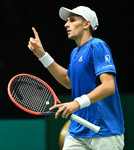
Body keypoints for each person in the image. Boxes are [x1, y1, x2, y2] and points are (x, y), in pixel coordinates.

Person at [28, 6, 124, 150]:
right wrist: (43, 56)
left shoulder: (97, 46)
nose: (66, 24)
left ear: (86, 24)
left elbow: (109, 86)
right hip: (78, 131)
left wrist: (77, 103)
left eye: (72, 20)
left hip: (104, 130)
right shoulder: (75, 53)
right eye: (67, 21)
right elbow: (68, 81)